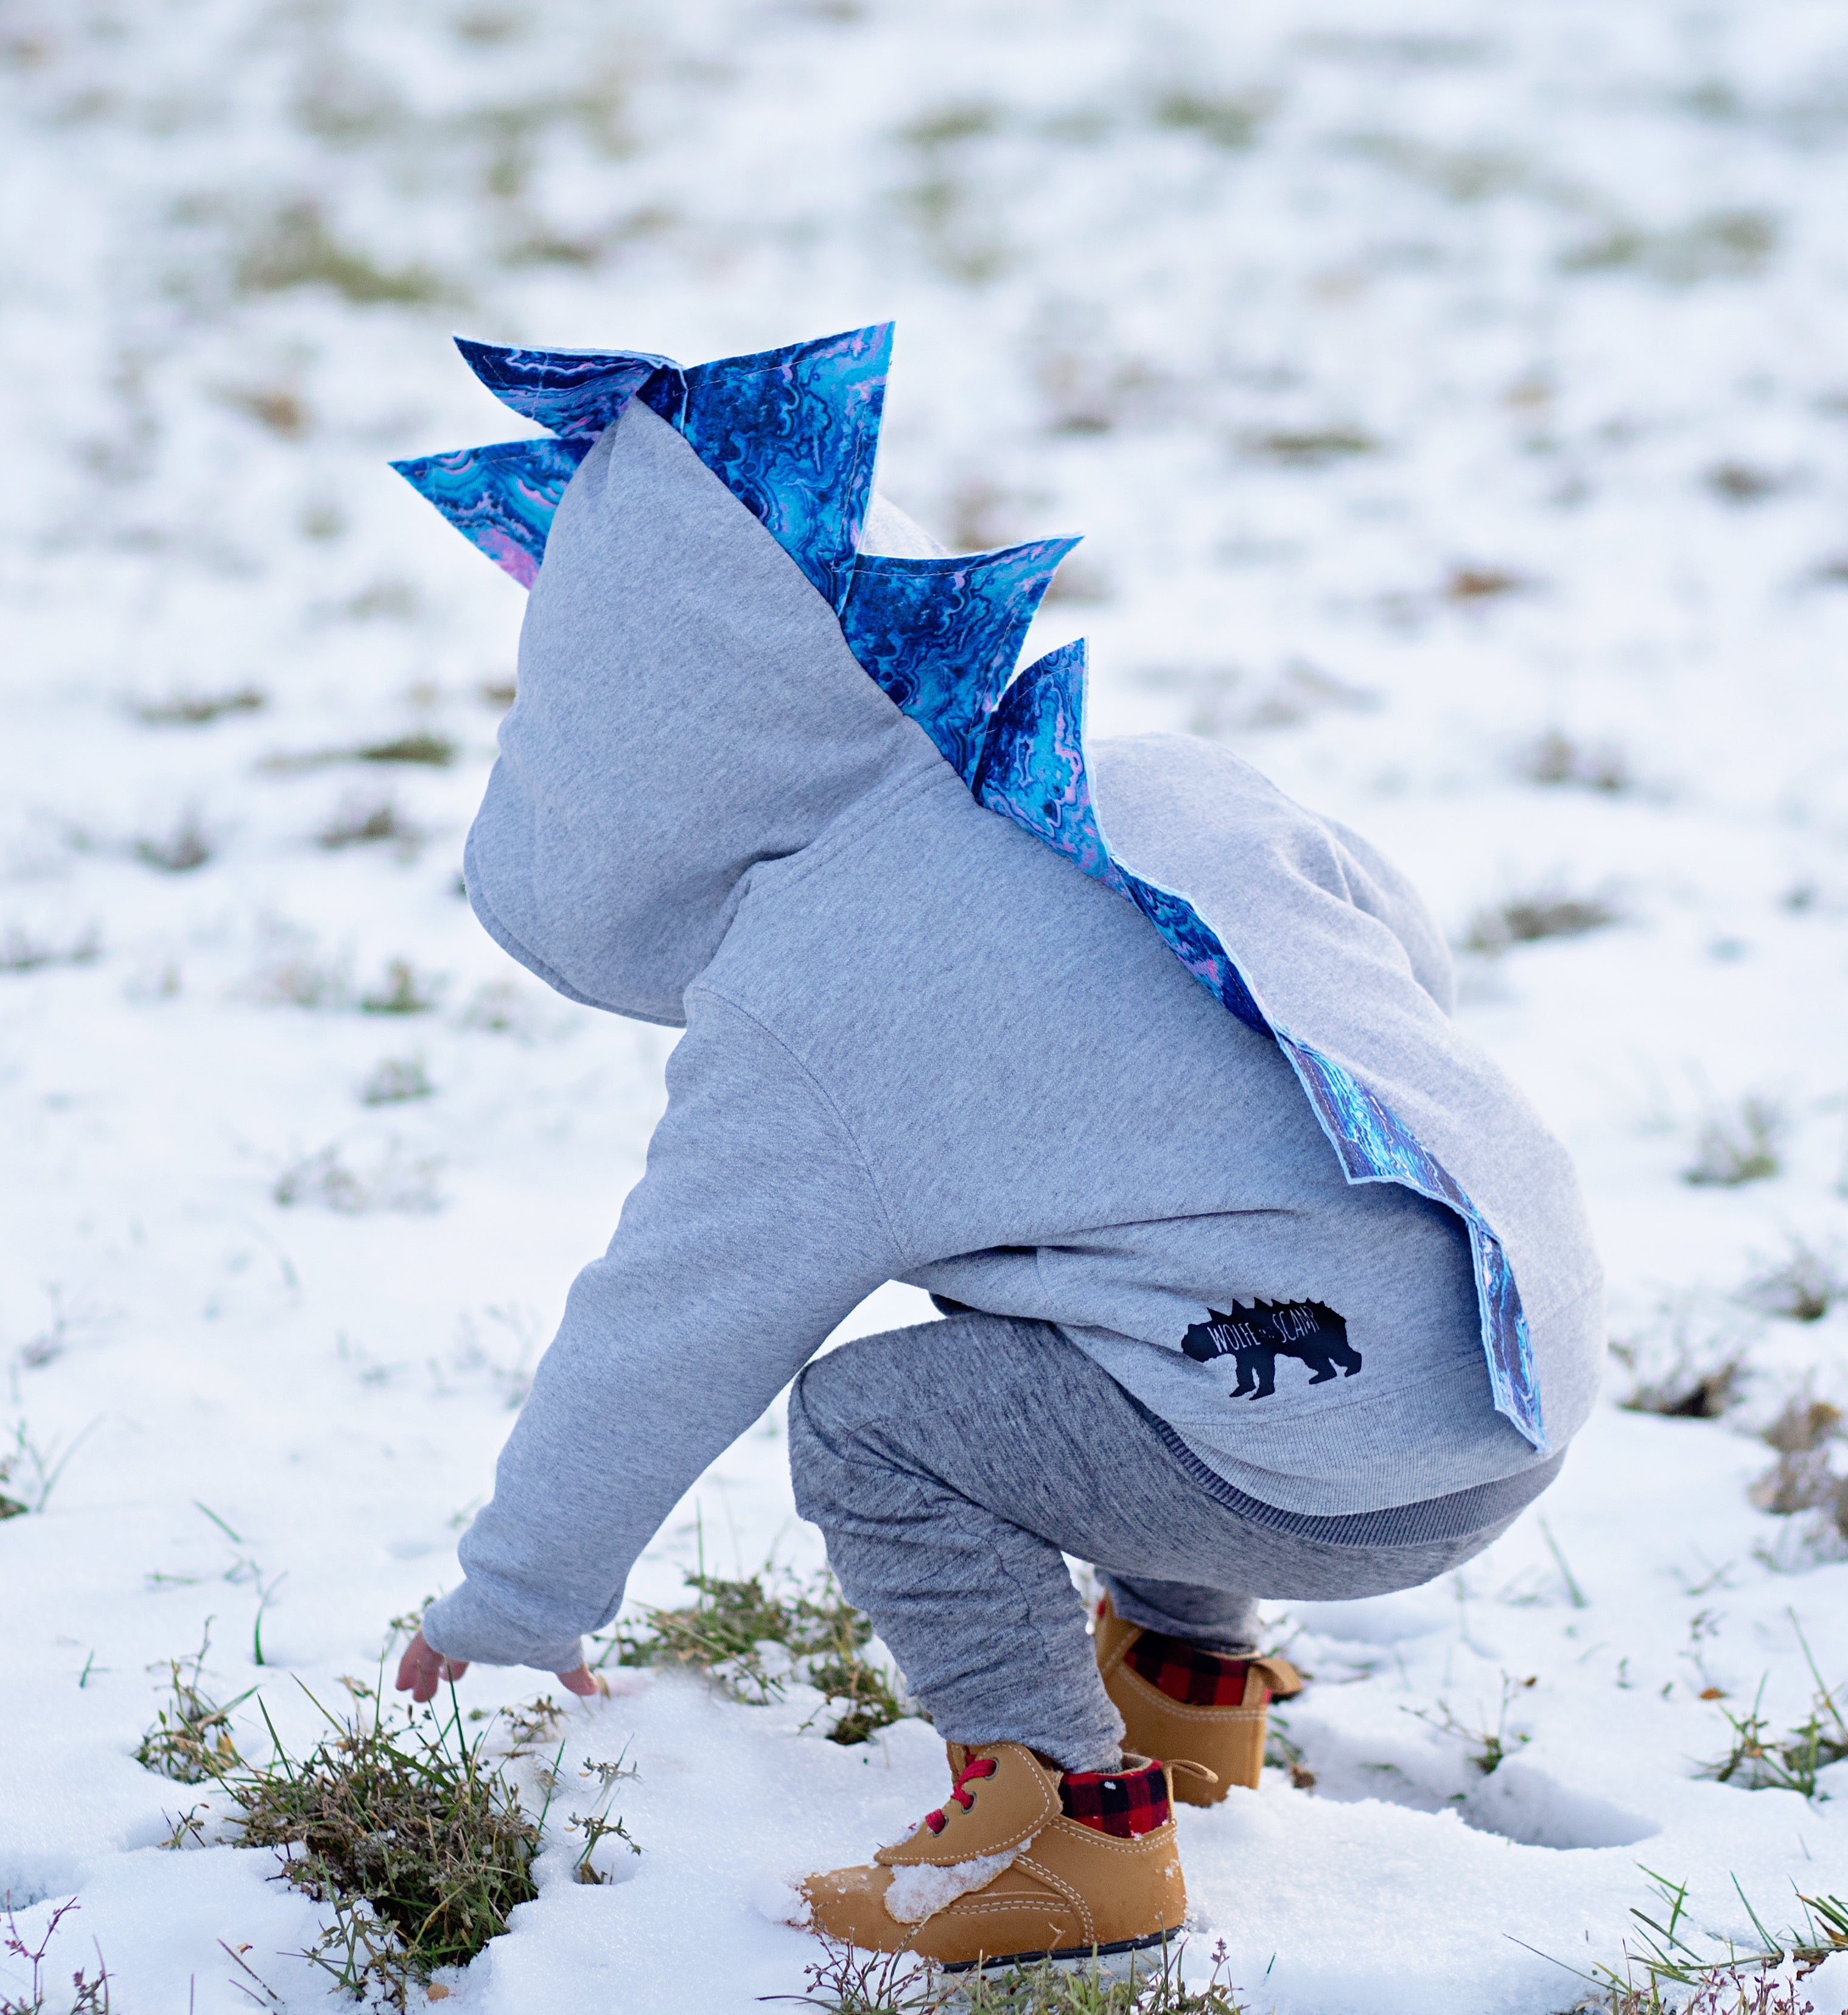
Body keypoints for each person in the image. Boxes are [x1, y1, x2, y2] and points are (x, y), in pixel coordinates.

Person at [387, 327, 1603, 1969]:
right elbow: (1377, 973)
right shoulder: (1132, 780)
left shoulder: (821, 989)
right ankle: (1190, 1691)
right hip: (1523, 1366)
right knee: (1127, 1249)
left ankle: (1061, 1832)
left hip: (1327, 1486)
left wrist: (519, 1593)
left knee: (879, 1425)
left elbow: (666, 1327)